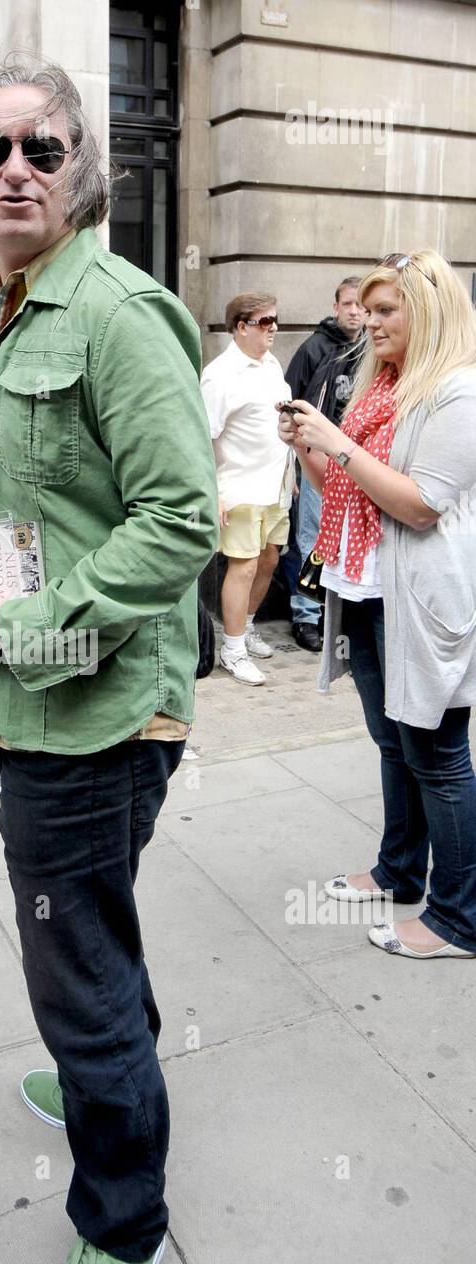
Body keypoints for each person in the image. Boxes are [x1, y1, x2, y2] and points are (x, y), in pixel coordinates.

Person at [0, 61, 217, 1264]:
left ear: (82, 170)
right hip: (36, 700)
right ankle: (109, 1059)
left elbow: (181, 517)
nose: (14, 171)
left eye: (42, 150)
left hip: (94, 711)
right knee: (92, 927)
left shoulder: (114, 307)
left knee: (73, 959)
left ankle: (123, 1217)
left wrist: (34, 624)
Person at [279, 249, 476, 960]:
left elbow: (421, 506)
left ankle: (460, 917)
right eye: (370, 307)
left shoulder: (457, 391)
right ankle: (400, 873)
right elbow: (346, 490)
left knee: (438, 753)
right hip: (363, 586)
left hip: (420, 600)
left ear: (427, 311)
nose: (368, 320)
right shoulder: (381, 385)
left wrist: (338, 444)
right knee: (394, 744)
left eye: (386, 309)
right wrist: (311, 448)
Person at [200, 293, 293, 685]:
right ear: (240, 326)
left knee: (269, 559)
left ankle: (247, 626)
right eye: (264, 321)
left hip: (275, 486)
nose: (273, 328)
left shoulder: (271, 364)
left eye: (275, 320)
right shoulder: (220, 375)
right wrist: (213, 492)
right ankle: (233, 649)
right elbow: (201, 437)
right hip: (238, 487)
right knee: (245, 564)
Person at [285, 276, 367, 651]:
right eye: (347, 304)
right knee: (313, 535)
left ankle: (338, 612)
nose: (354, 311)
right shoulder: (313, 348)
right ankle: (306, 615)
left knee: (347, 536)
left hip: (358, 460)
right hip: (318, 458)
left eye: (360, 306)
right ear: (336, 307)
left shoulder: (372, 348)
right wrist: (294, 463)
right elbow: (289, 403)